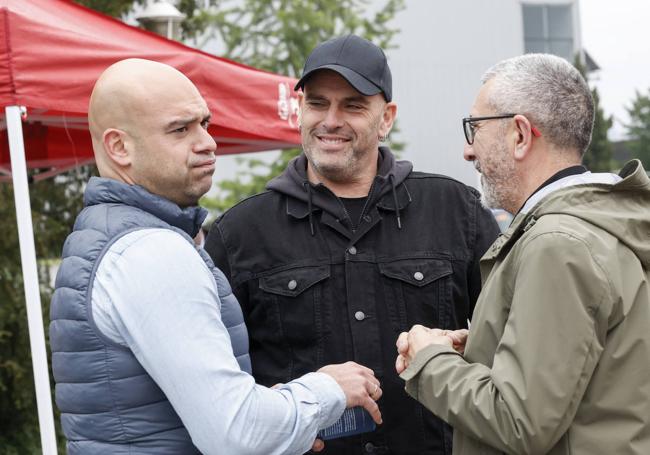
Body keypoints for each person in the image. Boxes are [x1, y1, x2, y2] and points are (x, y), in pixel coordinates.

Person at [49, 58, 384, 455]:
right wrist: (326, 389)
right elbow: (235, 435)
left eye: (204, 124)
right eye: (180, 129)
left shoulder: (108, 235)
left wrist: (280, 409)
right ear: (119, 147)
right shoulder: (152, 252)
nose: (207, 142)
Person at [205, 35, 500, 454]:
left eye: (353, 105)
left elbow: (512, 341)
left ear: (386, 118)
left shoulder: (457, 212)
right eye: (318, 103)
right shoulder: (239, 233)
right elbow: (216, 386)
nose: (331, 120)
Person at [396, 53, 650, 455]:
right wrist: (482, 344)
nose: (468, 151)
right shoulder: (604, 227)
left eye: (474, 128)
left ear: (519, 135)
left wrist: (429, 361)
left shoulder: (558, 244)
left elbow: (520, 422)